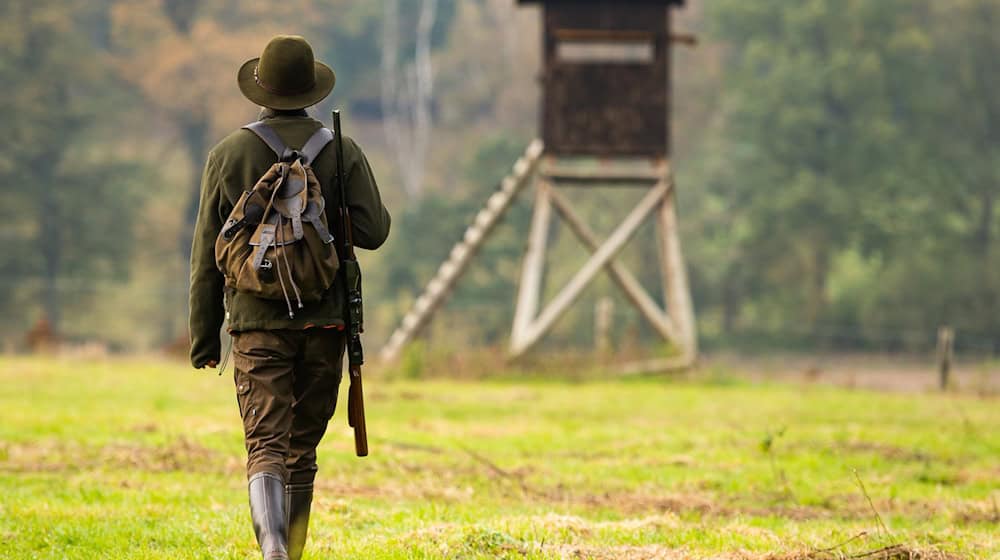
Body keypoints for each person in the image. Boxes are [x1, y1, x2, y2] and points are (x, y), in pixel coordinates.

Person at [188, 35, 391, 560]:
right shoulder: (341, 149)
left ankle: (272, 547)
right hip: (326, 323)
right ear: (312, 89)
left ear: (261, 87)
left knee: (266, 445)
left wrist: (203, 338)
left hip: (255, 325)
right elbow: (375, 231)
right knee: (302, 449)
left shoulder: (228, 154)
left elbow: (207, 254)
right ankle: (291, 553)